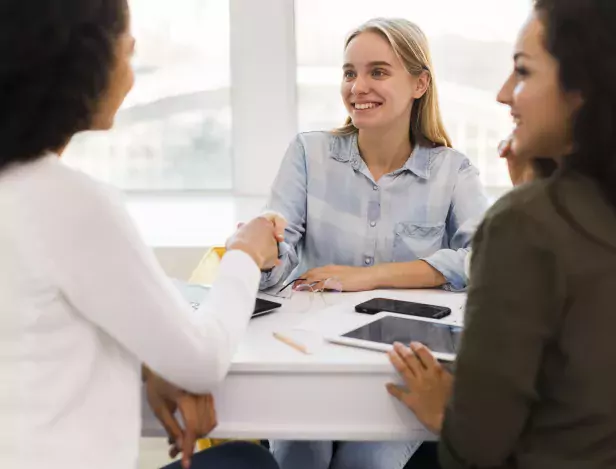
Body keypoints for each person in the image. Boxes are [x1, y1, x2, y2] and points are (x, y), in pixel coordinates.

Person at [0, 1, 284, 469]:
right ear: (85, 64)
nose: (132, 77)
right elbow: (202, 360)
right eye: (128, 54)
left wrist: (149, 361)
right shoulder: (71, 202)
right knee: (250, 464)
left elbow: (38, 333)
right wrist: (245, 252)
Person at [387, 1, 616, 468]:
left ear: (583, 91)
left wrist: (444, 413)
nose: (502, 93)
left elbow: (474, 451)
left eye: (524, 72)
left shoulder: (523, 223)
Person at [265, 17, 489, 469]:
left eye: (378, 72)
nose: (358, 86)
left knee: (365, 462)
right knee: (299, 454)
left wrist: (367, 278)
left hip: (402, 368)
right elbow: (278, 262)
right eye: (349, 73)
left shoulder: (453, 170)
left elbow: (486, 260)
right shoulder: (308, 154)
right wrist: (259, 251)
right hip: (311, 359)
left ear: (419, 83)